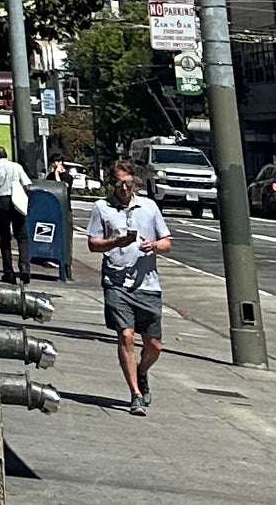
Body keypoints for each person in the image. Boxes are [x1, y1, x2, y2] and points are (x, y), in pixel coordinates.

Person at [88, 158, 172, 416]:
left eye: (126, 182)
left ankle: (142, 371)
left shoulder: (148, 207)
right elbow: (92, 243)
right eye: (116, 182)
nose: (122, 188)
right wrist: (115, 243)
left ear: (133, 182)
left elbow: (167, 241)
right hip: (116, 281)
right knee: (126, 335)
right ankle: (135, 394)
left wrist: (154, 246)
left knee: (154, 344)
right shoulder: (102, 207)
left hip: (147, 284)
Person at [0, 144, 32, 282]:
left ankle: (9, 273)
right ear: (6, 155)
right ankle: (24, 267)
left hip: (2, 202)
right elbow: (27, 185)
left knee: (4, 238)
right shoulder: (17, 167)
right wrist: (23, 198)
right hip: (16, 201)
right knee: (22, 237)